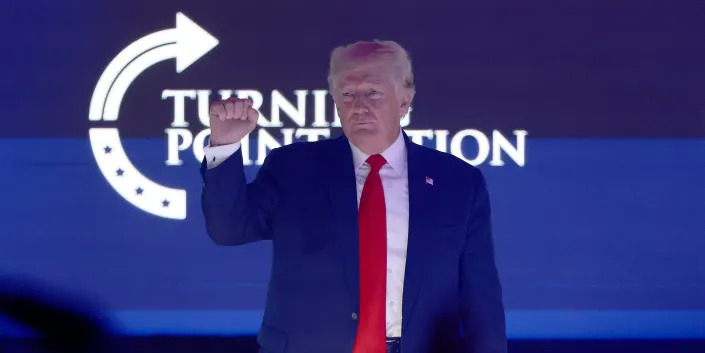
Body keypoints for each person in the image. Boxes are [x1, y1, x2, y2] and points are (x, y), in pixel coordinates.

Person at [200, 40, 506, 353]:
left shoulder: (458, 182)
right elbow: (228, 229)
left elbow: (481, 300)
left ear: (404, 100)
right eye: (347, 94)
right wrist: (224, 145)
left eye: (372, 92)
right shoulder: (293, 167)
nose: (359, 105)